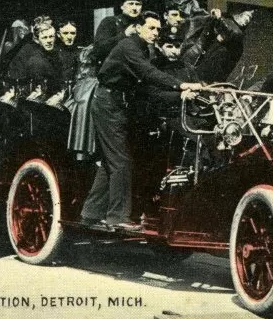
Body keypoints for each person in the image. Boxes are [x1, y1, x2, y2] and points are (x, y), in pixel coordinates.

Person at [80, 13, 202, 232]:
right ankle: (117, 217)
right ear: (138, 28)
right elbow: (148, 74)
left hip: (120, 104)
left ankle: (90, 213)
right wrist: (179, 85)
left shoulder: (145, 50)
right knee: (121, 161)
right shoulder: (129, 47)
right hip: (108, 102)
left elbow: (146, 88)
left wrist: (179, 95)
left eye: (157, 29)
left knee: (112, 160)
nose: (155, 33)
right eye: (151, 28)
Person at [182, 9, 253, 83]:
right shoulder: (219, 41)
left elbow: (233, 32)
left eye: (248, 19)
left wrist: (220, 18)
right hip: (202, 73)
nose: (246, 20)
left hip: (212, 79)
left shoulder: (237, 38)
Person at [91, 0, 144, 70]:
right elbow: (99, 49)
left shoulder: (143, 24)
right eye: (130, 4)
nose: (134, 8)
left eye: (138, 4)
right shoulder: (110, 22)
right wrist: (124, 35)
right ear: (122, 6)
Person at [6, 16, 63, 95]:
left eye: (51, 36)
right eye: (45, 37)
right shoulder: (30, 51)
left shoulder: (53, 49)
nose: (49, 40)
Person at [56, 20, 80, 84]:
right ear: (58, 34)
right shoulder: (53, 53)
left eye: (72, 33)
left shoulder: (81, 53)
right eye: (65, 33)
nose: (69, 37)